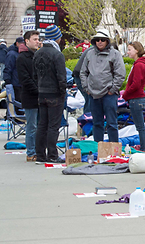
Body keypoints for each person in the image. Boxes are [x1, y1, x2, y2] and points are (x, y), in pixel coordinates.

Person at [80, 28, 126, 143]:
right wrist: (87, 88)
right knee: (97, 123)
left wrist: (112, 89)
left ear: (107, 41)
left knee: (112, 123)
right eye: (97, 40)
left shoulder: (115, 54)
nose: (99, 42)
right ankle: (98, 148)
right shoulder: (89, 54)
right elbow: (83, 72)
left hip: (109, 95)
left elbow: (120, 74)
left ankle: (114, 148)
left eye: (102, 40)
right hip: (93, 95)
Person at [32, 24, 66, 164]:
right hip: (55, 94)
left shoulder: (37, 53)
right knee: (53, 126)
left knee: (42, 125)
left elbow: (34, 75)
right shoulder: (57, 54)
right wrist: (63, 92)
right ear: (56, 38)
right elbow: (61, 77)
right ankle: (52, 154)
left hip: (41, 93)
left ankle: (40, 155)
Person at [16, 30, 41, 162]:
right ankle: (31, 152)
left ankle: (39, 150)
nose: (38, 41)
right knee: (32, 126)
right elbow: (25, 79)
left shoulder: (38, 55)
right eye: (35, 39)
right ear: (27, 41)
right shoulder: (22, 58)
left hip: (41, 96)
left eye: (38, 39)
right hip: (30, 97)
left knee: (40, 125)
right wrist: (38, 90)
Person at [122, 41, 145, 151]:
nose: (128, 52)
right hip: (137, 98)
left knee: (140, 127)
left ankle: (144, 148)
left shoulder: (138, 65)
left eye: (129, 50)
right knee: (140, 126)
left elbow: (136, 84)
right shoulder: (140, 64)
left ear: (136, 51)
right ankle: (144, 147)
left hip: (136, 99)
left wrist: (126, 94)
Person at [72, 45, 94, 114]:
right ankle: (87, 120)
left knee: (89, 99)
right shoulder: (94, 51)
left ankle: (87, 119)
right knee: (90, 99)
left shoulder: (93, 49)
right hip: (81, 76)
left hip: (78, 75)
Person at [3, 37, 25, 102]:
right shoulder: (12, 54)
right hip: (15, 82)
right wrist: (7, 80)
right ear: (17, 43)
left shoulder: (20, 53)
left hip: (19, 82)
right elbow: (8, 68)